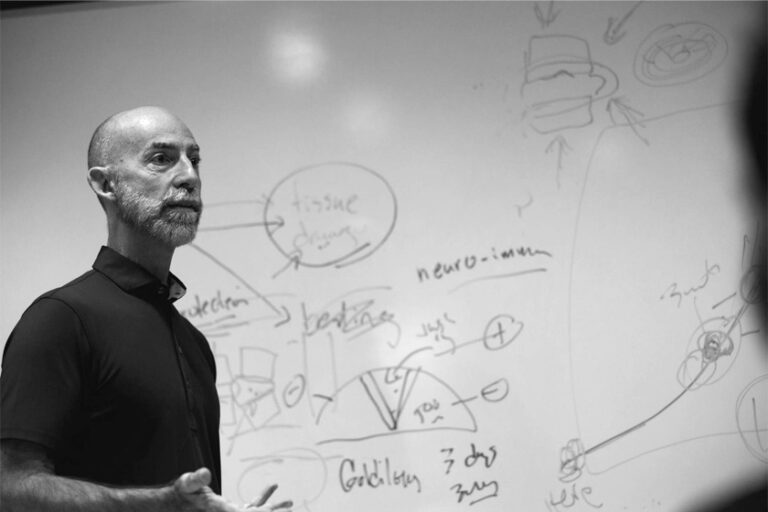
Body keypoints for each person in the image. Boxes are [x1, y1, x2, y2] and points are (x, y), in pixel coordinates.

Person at [0, 106, 293, 512]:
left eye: (195, 159)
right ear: (106, 184)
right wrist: (157, 504)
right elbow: (11, 489)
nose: (189, 176)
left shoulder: (194, 343)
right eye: (161, 159)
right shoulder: (61, 319)